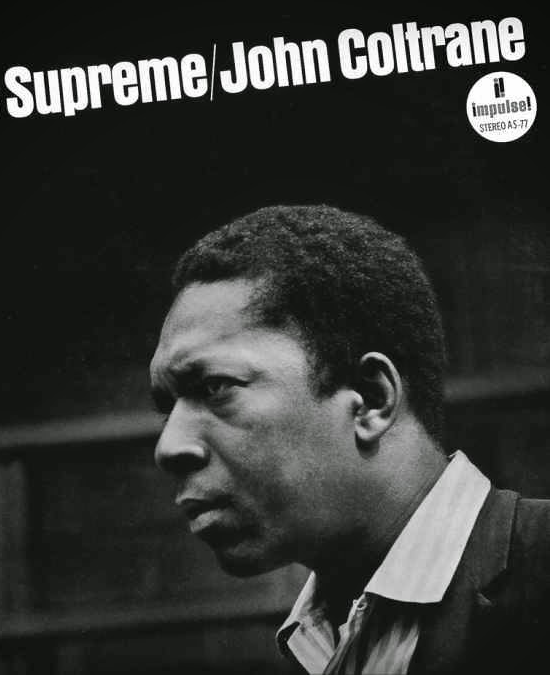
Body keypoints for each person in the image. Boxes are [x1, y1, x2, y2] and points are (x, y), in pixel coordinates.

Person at [149, 204, 550, 674]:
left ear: (371, 399)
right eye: (166, 408)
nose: (168, 447)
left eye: (215, 387)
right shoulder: (316, 645)